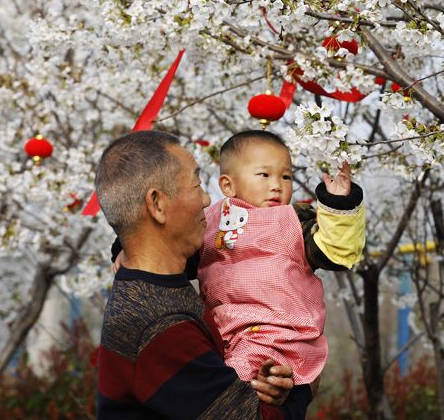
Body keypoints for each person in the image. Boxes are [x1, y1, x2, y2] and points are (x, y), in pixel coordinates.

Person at [95, 130, 310, 419]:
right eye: (196, 185)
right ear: (157, 204)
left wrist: (269, 380)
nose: (208, 200)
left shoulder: (161, 288)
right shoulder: (160, 323)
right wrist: (305, 387)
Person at [198, 130, 366, 402]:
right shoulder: (207, 220)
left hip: (276, 335)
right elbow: (171, 247)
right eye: (264, 175)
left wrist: (338, 204)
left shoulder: (294, 220)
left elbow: (334, 252)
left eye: (285, 176)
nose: (277, 185)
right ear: (228, 186)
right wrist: (124, 248)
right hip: (223, 330)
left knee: (229, 385)